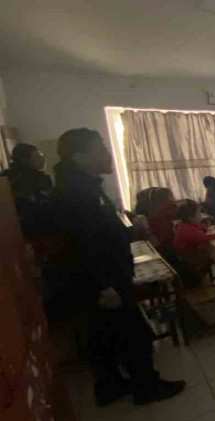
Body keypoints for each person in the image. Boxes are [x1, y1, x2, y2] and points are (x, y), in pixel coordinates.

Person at [45, 128, 185, 406]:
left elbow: (99, 233)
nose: (108, 155)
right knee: (136, 335)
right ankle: (146, 387)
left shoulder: (81, 186)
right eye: (101, 149)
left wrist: (127, 234)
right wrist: (104, 285)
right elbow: (84, 243)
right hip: (103, 281)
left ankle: (110, 386)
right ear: (81, 156)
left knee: (102, 335)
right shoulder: (77, 192)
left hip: (101, 277)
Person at [1, 143, 53, 235]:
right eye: (37, 157)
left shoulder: (42, 177)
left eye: (41, 156)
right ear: (24, 160)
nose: (43, 159)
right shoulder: (9, 180)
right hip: (23, 229)